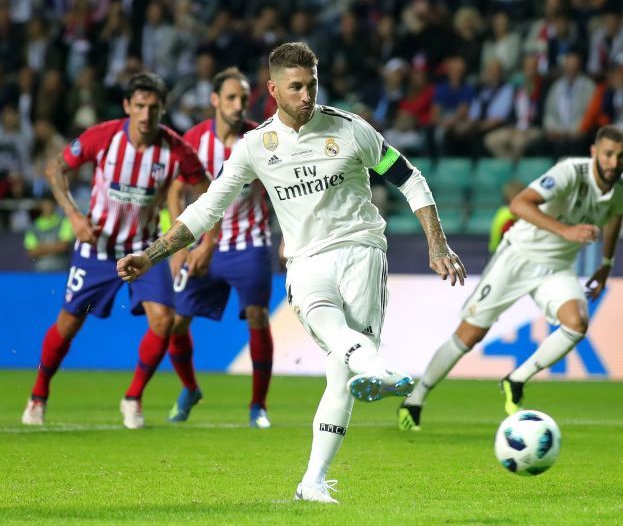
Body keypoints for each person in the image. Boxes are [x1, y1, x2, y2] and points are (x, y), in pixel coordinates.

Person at [116, 42, 466, 504]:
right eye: (296, 87)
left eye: (312, 85)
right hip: (306, 262)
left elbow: (409, 178)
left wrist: (436, 242)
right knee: (329, 326)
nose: (306, 95)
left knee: (341, 376)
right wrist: (152, 254)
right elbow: (205, 211)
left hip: (363, 251)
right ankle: (378, 370)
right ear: (273, 90)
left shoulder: (350, 129)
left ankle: (313, 481)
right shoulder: (257, 147)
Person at [398, 125, 623, 432]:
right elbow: (519, 204)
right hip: (518, 257)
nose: (613, 163)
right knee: (469, 335)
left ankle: (516, 380)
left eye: (621, 156)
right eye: (608, 154)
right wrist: (566, 231)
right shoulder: (569, 173)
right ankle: (415, 401)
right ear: (594, 153)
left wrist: (606, 263)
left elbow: (616, 215)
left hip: (558, 266)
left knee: (577, 323)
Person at [21, 72, 215, 429]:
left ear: (162, 109)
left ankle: (133, 398)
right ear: (127, 106)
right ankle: (38, 396)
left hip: (144, 249)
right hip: (97, 248)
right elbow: (56, 168)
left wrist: (200, 238)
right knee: (68, 324)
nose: (146, 114)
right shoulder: (104, 136)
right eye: (139, 106)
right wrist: (74, 215)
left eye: (153, 107)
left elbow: (208, 191)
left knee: (165, 321)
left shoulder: (176, 150)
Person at [166, 67, 276, 428]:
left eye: (243, 98)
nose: (238, 104)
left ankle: (258, 406)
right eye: (230, 97)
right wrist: (178, 245)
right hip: (201, 246)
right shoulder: (195, 140)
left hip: (250, 241)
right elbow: (175, 191)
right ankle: (190, 388)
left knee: (258, 316)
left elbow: (279, 189)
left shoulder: (261, 137)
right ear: (214, 100)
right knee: (176, 323)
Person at [24, 195, 74, 272]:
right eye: (44, 205)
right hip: (40, 272)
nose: (47, 208)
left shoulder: (64, 221)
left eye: (49, 205)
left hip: (62, 270)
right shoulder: (33, 227)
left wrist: (41, 248)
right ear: (40, 207)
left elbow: (64, 246)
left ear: (54, 205)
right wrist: (55, 246)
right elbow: (31, 252)